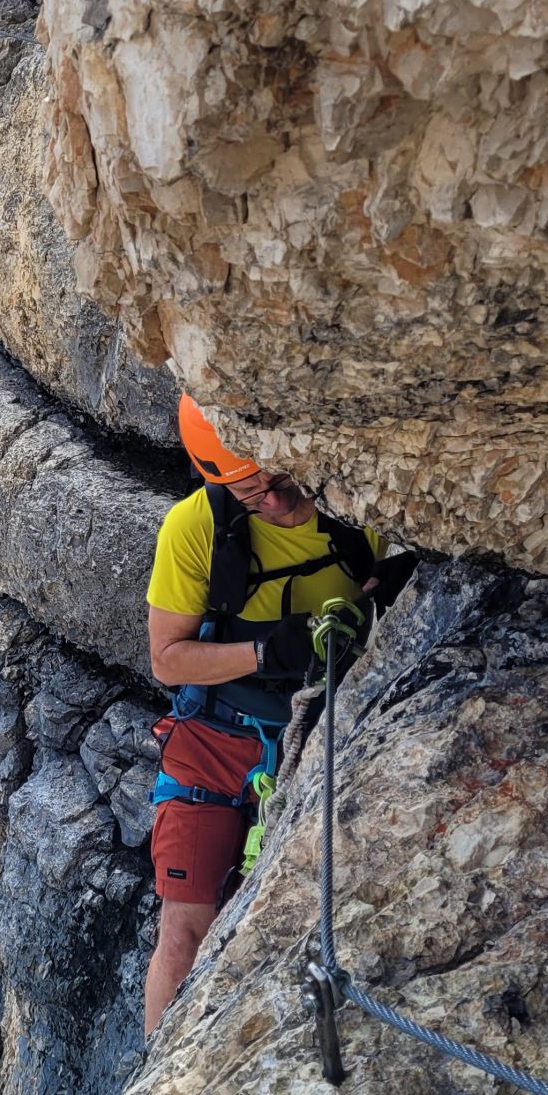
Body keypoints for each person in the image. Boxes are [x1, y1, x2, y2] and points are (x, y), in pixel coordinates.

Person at [141, 396, 402, 1034]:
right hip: (215, 734)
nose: (278, 503)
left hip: (319, 732)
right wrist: (264, 649)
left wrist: (381, 595)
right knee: (184, 928)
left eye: (283, 482)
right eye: (254, 494)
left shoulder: (357, 506)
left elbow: (406, 564)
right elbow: (168, 660)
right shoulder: (197, 528)